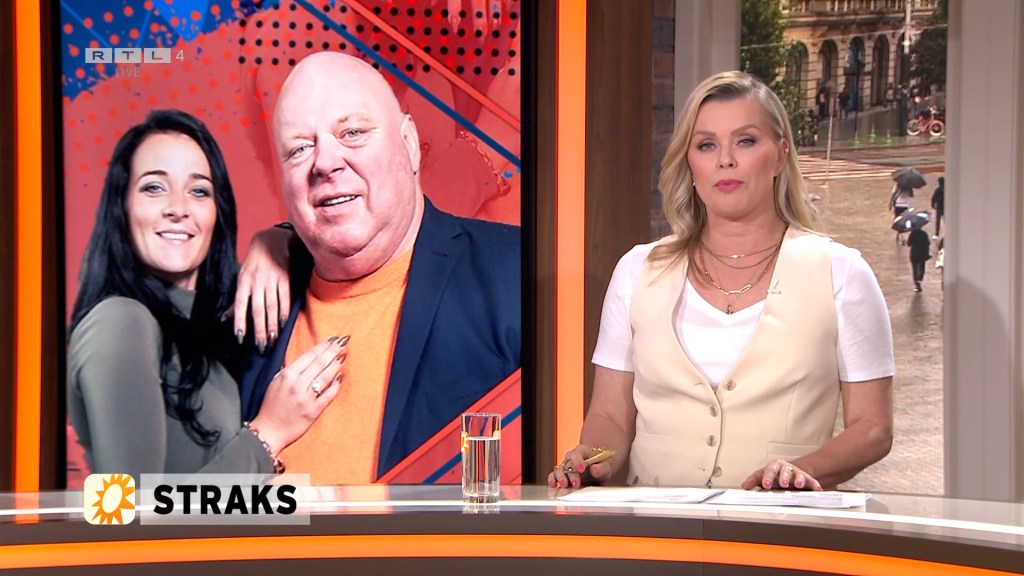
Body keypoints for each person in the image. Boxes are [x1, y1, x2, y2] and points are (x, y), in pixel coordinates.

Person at [548, 71, 894, 491]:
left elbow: (873, 427)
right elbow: (609, 417)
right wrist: (592, 458)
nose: (725, 160)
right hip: (655, 523)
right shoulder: (638, 270)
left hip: (780, 523)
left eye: (745, 141)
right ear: (690, 163)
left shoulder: (842, 273)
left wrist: (801, 470)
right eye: (707, 145)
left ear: (780, 155)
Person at [237, 52, 521, 485]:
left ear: (409, 144)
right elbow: (171, 506)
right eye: (299, 149)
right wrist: (260, 443)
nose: (325, 162)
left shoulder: (514, 278)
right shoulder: (244, 310)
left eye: (352, 133)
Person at [67, 110, 344, 479]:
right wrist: (268, 433)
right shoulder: (120, 321)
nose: (178, 209)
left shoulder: (202, 328)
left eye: (198, 191)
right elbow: (122, 508)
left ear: (218, 211)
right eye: (154, 187)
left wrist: (278, 239)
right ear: (122, 206)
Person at [908, 225, 931, 292]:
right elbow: (928, 243)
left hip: (914, 254)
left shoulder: (912, 234)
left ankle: (917, 283)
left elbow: (909, 244)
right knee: (922, 268)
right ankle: (920, 279)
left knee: (915, 270)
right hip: (922, 254)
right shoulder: (924, 233)